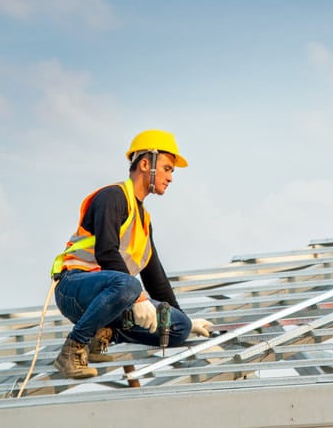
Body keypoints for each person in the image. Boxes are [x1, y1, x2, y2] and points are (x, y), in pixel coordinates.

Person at [50, 129, 214, 378]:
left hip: (112, 301)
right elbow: (106, 252)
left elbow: (155, 278)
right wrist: (137, 298)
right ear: (146, 164)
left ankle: (103, 334)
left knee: (176, 328)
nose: (170, 177)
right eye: (167, 168)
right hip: (75, 289)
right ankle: (73, 347)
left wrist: (188, 321)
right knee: (127, 284)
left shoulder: (144, 222)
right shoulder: (113, 197)